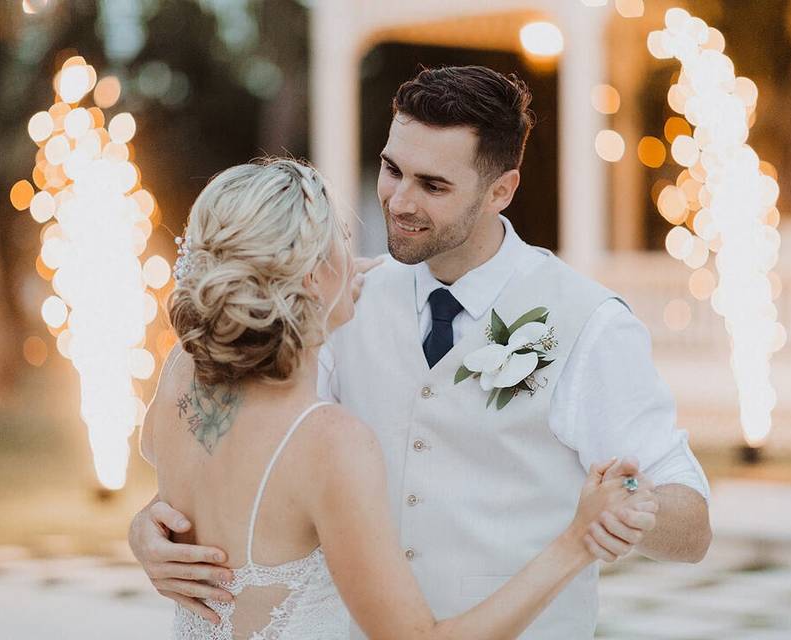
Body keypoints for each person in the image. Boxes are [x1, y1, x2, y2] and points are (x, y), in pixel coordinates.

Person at [132, 66, 712, 639]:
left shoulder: (590, 325)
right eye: (391, 170)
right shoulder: (338, 303)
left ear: (501, 190)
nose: (399, 201)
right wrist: (153, 529)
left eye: (433, 185)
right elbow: (258, 450)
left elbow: (692, 523)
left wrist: (626, 508)